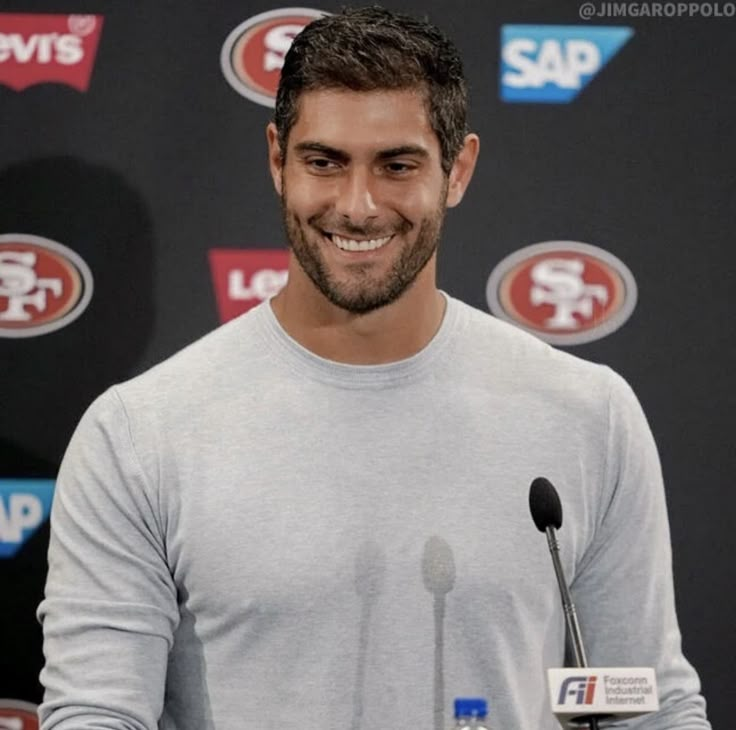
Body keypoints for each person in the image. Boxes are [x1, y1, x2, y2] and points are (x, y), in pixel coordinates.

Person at [38, 7, 710, 729]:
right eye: (324, 162)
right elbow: (97, 715)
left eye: (397, 165)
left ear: (458, 171)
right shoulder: (139, 435)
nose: (356, 206)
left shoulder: (588, 415)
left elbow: (645, 706)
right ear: (277, 161)